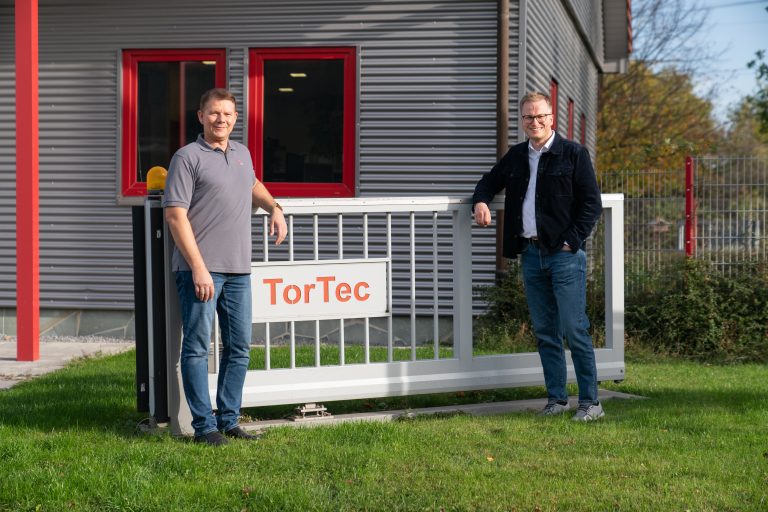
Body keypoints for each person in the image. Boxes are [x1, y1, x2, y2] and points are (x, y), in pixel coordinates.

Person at [163, 88, 287, 445]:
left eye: (228, 114)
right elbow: (174, 216)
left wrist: (274, 207)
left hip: (238, 270)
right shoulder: (187, 158)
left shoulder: (241, 154)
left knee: (239, 348)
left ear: (235, 119)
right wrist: (199, 268)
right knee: (198, 348)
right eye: (214, 113)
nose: (221, 120)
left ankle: (230, 420)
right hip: (200, 271)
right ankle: (205, 427)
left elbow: (253, 185)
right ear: (201, 116)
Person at [472, 92, 604, 421]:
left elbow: (592, 204)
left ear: (552, 117)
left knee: (575, 329)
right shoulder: (517, 157)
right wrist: (480, 201)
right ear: (523, 122)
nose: (535, 122)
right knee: (545, 331)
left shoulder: (573, 154)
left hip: (564, 256)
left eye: (540, 116)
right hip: (530, 255)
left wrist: (570, 242)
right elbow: (489, 181)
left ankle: (591, 403)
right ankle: (557, 400)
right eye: (528, 118)